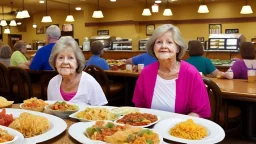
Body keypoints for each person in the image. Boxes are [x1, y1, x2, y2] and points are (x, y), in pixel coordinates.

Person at [132, 24, 211, 118]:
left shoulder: (191, 73)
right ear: (153, 47)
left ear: (178, 48)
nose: (163, 46)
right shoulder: (146, 73)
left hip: (179, 129)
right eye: (159, 42)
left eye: (169, 42)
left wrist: (174, 126)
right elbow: (139, 106)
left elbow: (200, 111)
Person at [47, 36, 108, 105]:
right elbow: (50, 112)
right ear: (55, 62)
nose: (65, 62)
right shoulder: (52, 83)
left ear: (78, 61)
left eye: (70, 58)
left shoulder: (89, 82)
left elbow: (103, 111)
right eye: (60, 58)